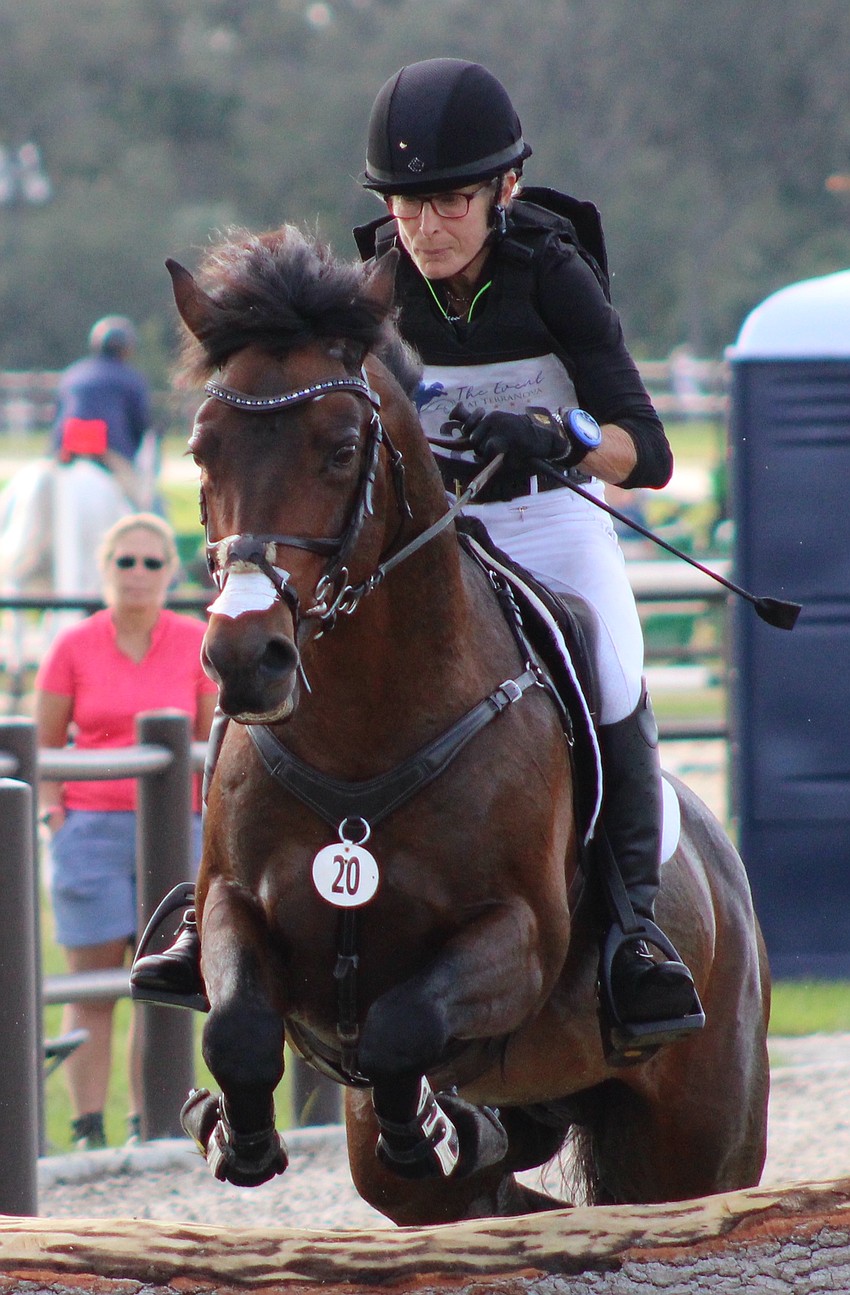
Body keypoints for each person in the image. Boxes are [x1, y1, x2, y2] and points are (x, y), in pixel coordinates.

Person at [132, 58, 700, 1050]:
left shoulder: (551, 274)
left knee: (610, 662)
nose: (425, 229)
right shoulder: (367, 295)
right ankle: (207, 906)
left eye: (447, 203)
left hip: (544, 513)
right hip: (407, 536)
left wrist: (562, 431)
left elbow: (641, 450)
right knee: (266, 650)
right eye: (405, 206)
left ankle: (633, 930)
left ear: (503, 191)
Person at [36, 514, 217, 1149]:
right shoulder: (73, 646)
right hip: (91, 828)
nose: (137, 575)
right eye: (125, 562)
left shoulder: (196, 641)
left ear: (170, 571)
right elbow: (45, 742)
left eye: (150, 563)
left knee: (165, 983)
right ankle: (88, 1126)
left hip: (175, 827)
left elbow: (209, 741)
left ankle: (156, 1123)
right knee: (93, 985)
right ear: (105, 569)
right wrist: (56, 818)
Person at [51, 316, 155, 509]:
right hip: (109, 454)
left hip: (65, 453)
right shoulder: (132, 379)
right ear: (127, 347)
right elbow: (140, 427)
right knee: (145, 505)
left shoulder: (72, 374)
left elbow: (57, 418)